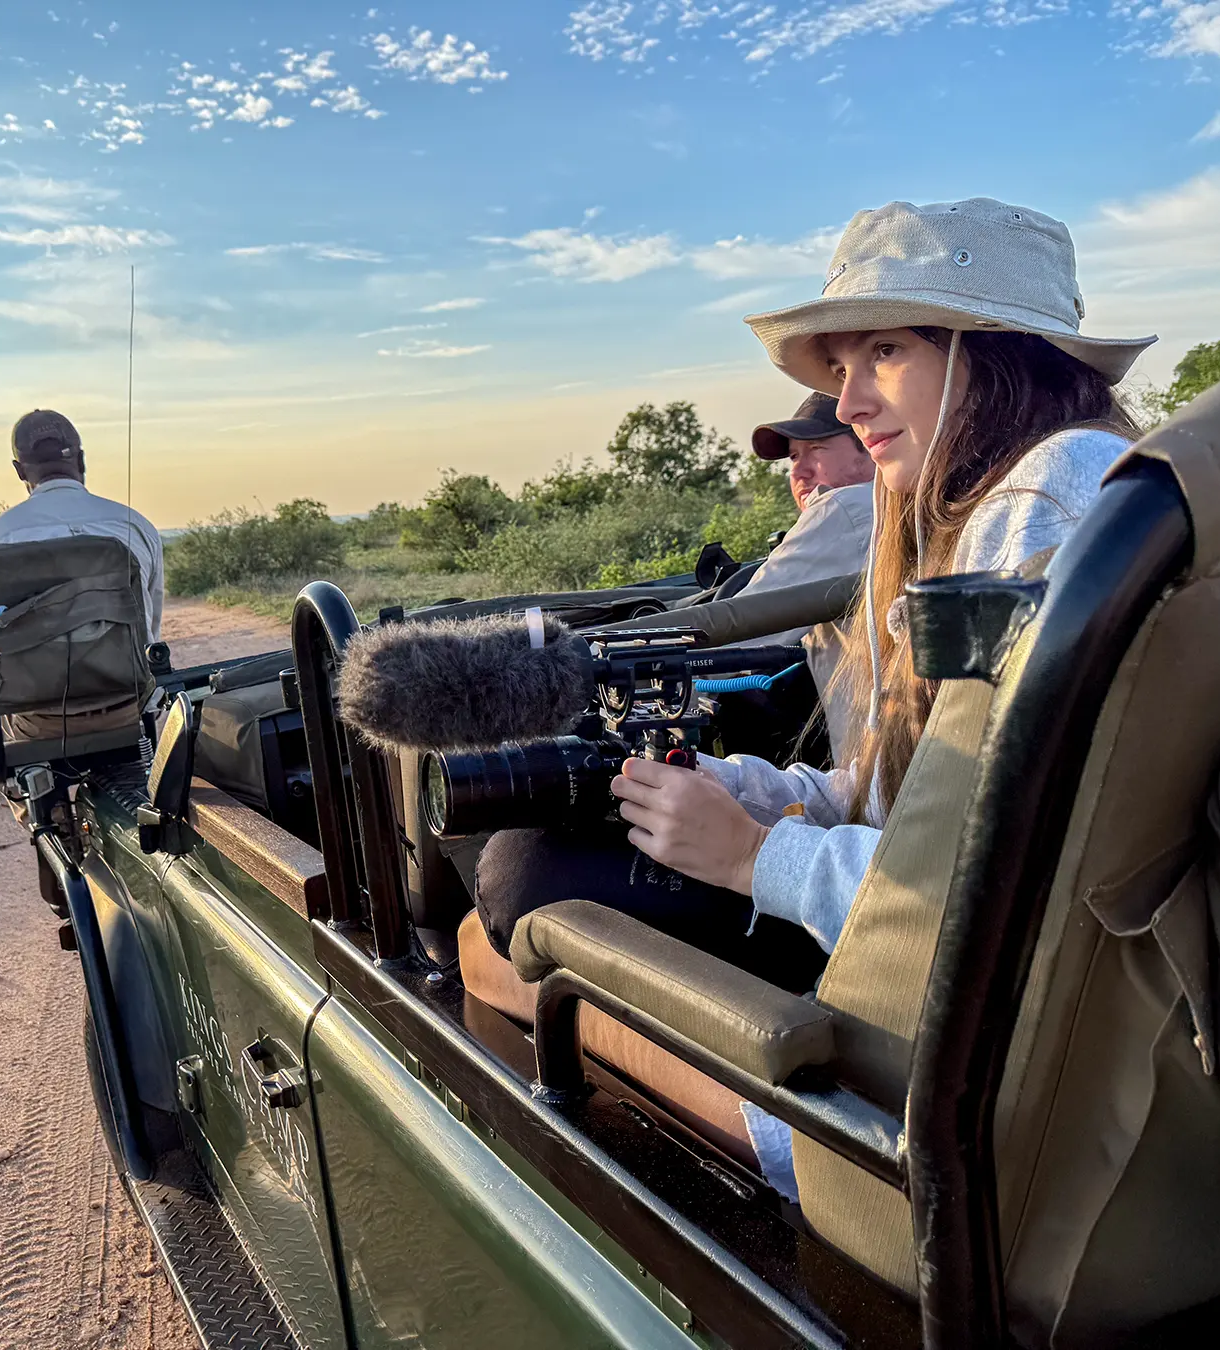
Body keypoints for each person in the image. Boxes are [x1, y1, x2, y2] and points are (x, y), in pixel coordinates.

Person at [473, 197, 1155, 1194]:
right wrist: (733, 791)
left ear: (997, 352)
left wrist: (756, 856)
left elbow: (1004, 889)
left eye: (884, 352)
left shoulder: (1046, 501)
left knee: (510, 948)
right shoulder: (984, 508)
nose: (850, 403)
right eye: (842, 370)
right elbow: (903, 802)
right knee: (527, 884)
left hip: (919, 1109)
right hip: (934, 1022)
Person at [0, 408, 165, 744]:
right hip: (130, 708)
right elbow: (149, 628)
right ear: (81, 460)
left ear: (18, 470)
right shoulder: (133, 525)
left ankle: (30, 796)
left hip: (38, 721)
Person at [718, 392, 875, 762]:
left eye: (816, 450)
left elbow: (738, 630)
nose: (798, 471)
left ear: (868, 446)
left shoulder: (846, 507)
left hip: (873, 782)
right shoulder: (904, 507)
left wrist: (597, 659)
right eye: (793, 456)